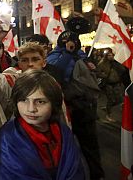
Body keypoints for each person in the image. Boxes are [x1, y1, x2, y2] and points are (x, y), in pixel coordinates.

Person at [0, 69, 85, 179]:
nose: (31, 109)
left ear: (54, 103)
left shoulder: (64, 133)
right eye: (23, 100)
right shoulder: (5, 139)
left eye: (40, 101)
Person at [47, 30, 104, 180]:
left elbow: (93, 74)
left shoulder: (82, 56)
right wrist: (67, 53)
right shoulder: (54, 55)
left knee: (90, 146)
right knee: (65, 148)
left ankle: (97, 175)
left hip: (84, 108)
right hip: (66, 108)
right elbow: (55, 73)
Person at [97, 50, 128, 122]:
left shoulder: (116, 63)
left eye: (112, 55)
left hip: (117, 83)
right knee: (110, 99)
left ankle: (108, 107)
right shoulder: (102, 63)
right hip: (108, 84)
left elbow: (123, 70)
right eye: (109, 55)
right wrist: (103, 75)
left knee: (119, 99)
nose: (111, 57)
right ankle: (108, 114)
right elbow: (97, 72)